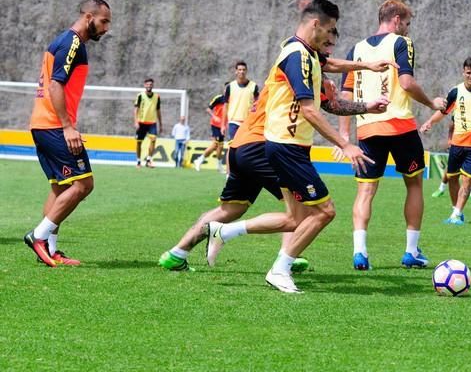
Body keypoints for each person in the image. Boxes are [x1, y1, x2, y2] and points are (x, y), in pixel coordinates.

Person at [159, 15, 393, 280]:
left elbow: (331, 95)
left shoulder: (306, 61)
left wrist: (366, 79)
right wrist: (345, 140)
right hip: (264, 143)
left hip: (243, 144)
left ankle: (176, 254)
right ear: (315, 30)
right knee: (302, 210)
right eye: (327, 42)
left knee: (231, 209)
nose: (329, 51)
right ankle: (284, 259)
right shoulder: (300, 59)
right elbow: (325, 101)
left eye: (332, 46)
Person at [337, 0, 447, 271]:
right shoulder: (401, 43)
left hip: (367, 128)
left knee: (365, 191)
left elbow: (345, 96)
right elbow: (407, 83)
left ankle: (359, 252)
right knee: (414, 184)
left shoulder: (356, 49)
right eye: (407, 24)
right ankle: (411, 251)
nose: (408, 29)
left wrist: (344, 137)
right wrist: (432, 104)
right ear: (396, 20)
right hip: (399, 126)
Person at [24, 0, 112, 267]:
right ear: (88, 17)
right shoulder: (72, 42)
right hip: (53, 125)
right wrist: (68, 126)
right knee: (84, 184)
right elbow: (55, 86)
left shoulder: (67, 42)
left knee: (60, 187)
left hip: (42, 124)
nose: (107, 28)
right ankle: (38, 237)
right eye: (104, 21)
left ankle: (50, 251)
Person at [420, 57, 471, 225]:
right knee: (452, 177)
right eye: (468, 73)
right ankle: (456, 210)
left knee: (467, 179)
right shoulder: (456, 91)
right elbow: (444, 111)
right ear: (463, 72)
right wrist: (430, 122)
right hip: (457, 143)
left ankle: (457, 213)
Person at [424, 118, 471, 199]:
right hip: (459, 143)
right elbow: (452, 126)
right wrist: (449, 139)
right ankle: (441, 188)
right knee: (451, 167)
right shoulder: (461, 108)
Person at [222, 61, 259, 140]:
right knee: (233, 146)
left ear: (246, 71)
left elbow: (258, 104)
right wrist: (223, 125)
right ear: (236, 71)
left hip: (248, 122)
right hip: (233, 121)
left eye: (243, 70)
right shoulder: (230, 87)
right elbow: (225, 106)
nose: (241, 71)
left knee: (244, 147)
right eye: (239, 69)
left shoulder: (253, 86)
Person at [194, 89, 226, 172]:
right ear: (224, 89)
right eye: (226, 88)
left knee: (220, 146)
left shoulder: (232, 99)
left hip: (223, 125)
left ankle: (218, 165)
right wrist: (214, 116)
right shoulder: (219, 98)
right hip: (215, 124)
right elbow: (208, 109)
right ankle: (199, 160)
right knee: (216, 144)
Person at [134, 78, 163, 168]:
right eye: (147, 84)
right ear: (144, 85)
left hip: (152, 122)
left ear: (152, 85)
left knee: (153, 140)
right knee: (139, 142)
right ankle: (138, 161)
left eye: (151, 84)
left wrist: (161, 124)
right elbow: (136, 110)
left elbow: (158, 111)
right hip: (141, 122)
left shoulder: (157, 96)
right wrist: (136, 122)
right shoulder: (140, 96)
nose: (149, 86)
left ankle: (149, 160)